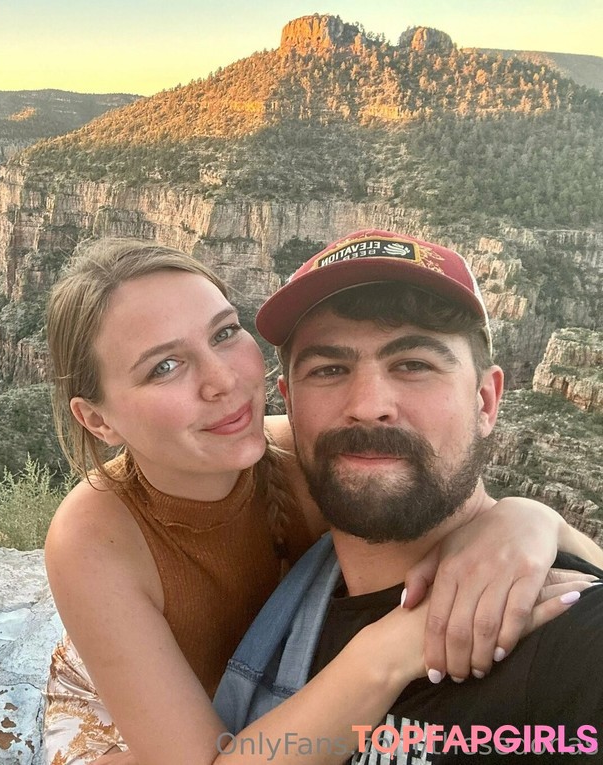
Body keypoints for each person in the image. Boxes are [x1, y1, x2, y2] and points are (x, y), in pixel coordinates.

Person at [41, 238, 601, 765]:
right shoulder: (96, 536)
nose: (222, 382)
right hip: (124, 713)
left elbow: (445, 483)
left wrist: (533, 520)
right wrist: (389, 651)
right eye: (164, 366)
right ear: (97, 420)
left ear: (487, 399)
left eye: (225, 333)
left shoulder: (307, 450)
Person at [214, 229, 603, 762]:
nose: (369, 405)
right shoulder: (263, 597)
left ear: (486, 401)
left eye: (414, 364)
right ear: (290, 406)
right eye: (329, 370)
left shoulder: (573, 633)